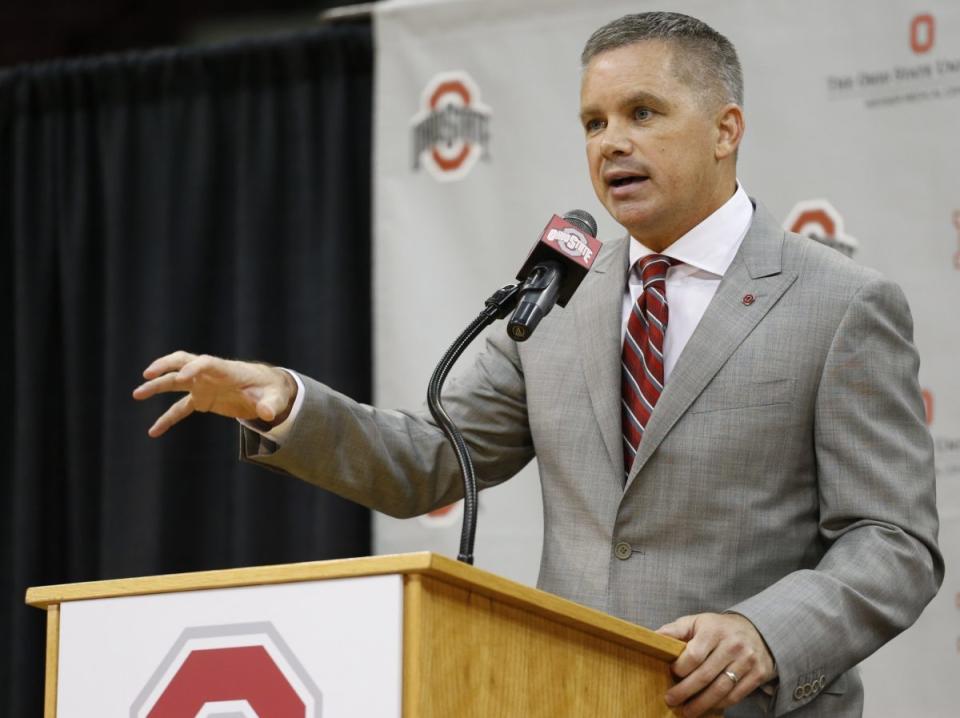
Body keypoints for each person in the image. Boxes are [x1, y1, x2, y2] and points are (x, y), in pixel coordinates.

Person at [133, 12, 942, 717]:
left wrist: (769, 631)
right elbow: (430, 463)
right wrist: (284, 402)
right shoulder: (561, 298)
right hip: (567, 696)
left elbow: (893, 539)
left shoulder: (839, 303)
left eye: (643, 112)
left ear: (727, 129)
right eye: (593, 122)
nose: (612, 141)